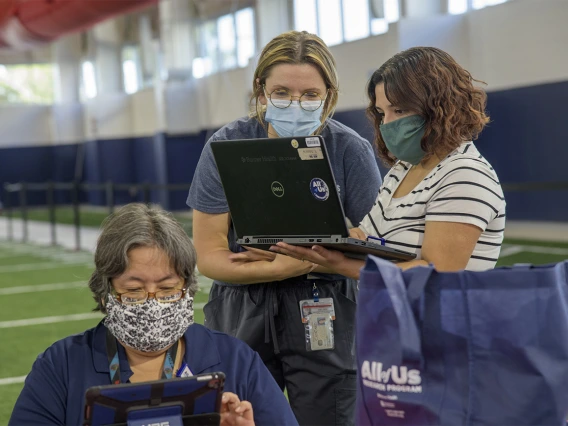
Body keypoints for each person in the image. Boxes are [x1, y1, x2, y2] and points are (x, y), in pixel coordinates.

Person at [187, 31, 382, 425]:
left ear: (329, 94)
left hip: (326, 305)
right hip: (242, 304)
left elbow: (373, 245)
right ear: (261, 91)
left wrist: (304, 260)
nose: (296, 104)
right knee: (238, 416)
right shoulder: (226, 147)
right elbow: (208, 257)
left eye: (310, 94)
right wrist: (286, 266)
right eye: (282, 92)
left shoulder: (349, 150)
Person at [9, 203, 298, 426]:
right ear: (104, 293)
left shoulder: (236, 359)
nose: (153, 304)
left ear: (188, 288)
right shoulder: (62, 366)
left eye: (168, 289)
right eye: (133, 291)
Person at [272, 46, 506, 277]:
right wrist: (301, 250)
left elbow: (436, 273)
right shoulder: (403, 169)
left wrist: (341, 264)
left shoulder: (464, 174)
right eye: (382, 113)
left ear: (440, 106)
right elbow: (368, 241)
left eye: (400, 110)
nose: (387, 124)